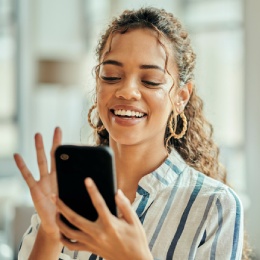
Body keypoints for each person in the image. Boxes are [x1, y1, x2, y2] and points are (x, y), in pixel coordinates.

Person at [14, 7, 247, 260]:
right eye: (112, 76)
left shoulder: (213, 206)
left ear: (181, 97)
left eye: (150, 81)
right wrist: (49, 234)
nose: (127, 91)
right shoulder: (67, 192)